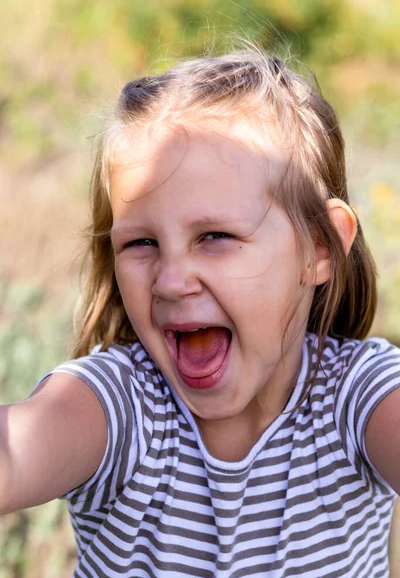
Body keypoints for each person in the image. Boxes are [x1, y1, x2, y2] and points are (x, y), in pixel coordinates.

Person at [1, 47, 399, 578]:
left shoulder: (357, 395)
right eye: (141, 243)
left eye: (214, 236)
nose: (169, 280)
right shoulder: (120, 406)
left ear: (319, 249)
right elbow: (20, 451)